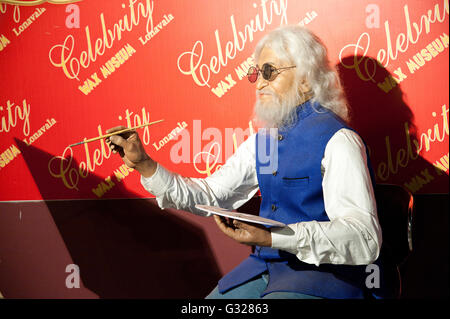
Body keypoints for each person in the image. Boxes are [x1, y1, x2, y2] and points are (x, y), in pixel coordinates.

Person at [105, 25, 389, 299]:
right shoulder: (265, 142)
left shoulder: (338, 140)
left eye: (269, 71)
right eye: (256, 72)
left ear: (305, 80)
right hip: (266, 268)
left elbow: (364, 237)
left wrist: (274, 238)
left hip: (324, 277)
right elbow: (211, 196)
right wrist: (144, 164)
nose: (260, 82)